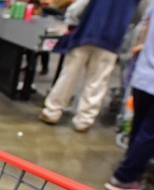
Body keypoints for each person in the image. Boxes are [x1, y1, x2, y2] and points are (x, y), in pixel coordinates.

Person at [39, 0, 140, 132]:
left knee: (68, 76)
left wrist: (72, 23)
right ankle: (84, 121)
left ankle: (51, 112)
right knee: (97, 82)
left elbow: (77, 8)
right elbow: (139, 16)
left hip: (86, 34)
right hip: (112, 40)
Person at [106, 0, 154, 190]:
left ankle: (133, 169)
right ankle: (124, 177)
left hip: (144, 74)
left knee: (140, 130)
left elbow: (145, 29)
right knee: (152, 134)